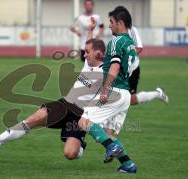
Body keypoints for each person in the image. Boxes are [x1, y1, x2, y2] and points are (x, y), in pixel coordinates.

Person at [0, 38, 106, 161]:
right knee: (32, 120)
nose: (84, 55)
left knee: (70, 154)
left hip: (79, 116)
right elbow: (91, 43)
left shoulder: (106, 73)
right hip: (64, 105)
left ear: (98, 54)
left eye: (87, 52)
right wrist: (90, 29)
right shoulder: (88, 64)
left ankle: (80, 146)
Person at [78, 7, 139, 173]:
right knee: (107, 133)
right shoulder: (131, 44)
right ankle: (128, 165)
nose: (110, 26)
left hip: (114, 91)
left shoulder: (116, 42)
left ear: (120, 23)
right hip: (125, 94)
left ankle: (112, 147)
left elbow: (115, 67)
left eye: (111, 22)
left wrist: (105, 90)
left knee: (84, 122)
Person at [113, 6, 169, 105]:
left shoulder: (132, 30)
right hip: (121, 70)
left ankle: (158, 94)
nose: (111, 23)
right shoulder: (116, 32)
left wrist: (125, 58)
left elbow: (139, 48)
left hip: (132, 69)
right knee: (115, 99)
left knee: (129, 100)